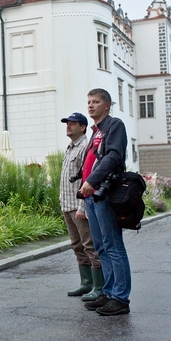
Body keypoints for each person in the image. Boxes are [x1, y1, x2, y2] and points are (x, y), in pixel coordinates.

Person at [78, 89, 132, 316]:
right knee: (101, 247)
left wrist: (92, 180)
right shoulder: (96, 131)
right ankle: (109, 293)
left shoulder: (114, 125)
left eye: (96, 102)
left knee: (113, 245)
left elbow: (114, 156)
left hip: (104, 193)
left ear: (107, 105)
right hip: (91, 196)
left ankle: (120, 298)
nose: (90, 105)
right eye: (89, 102)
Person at [59, 112, 103, 301]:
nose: (68, 126)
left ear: (83, 127)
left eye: (73, 124)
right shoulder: (70, 147)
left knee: (89, 246)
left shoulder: (85, 146)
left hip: (79, 207)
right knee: (77, 246)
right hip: (67, 205)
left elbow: (86, 178)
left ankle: (98, 286)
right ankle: (86, 283)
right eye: (67, 123)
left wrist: (82, 207)